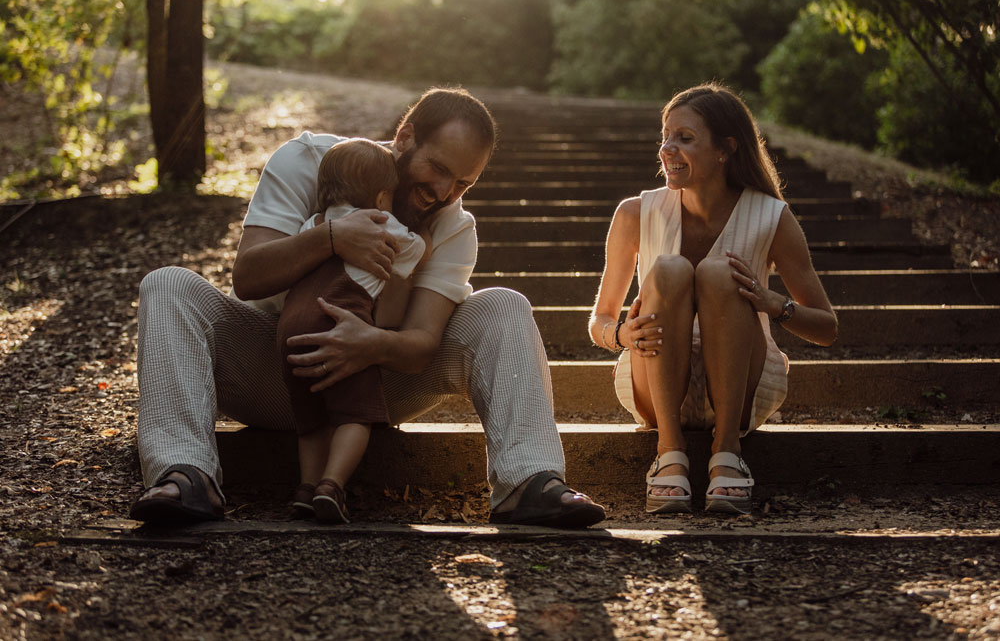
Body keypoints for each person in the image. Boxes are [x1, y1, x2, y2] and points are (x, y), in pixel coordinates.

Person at [128, 87, 606, 528]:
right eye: (438, 169)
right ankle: (183, 473)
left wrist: (370, 344)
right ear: (405, 137)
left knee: (503, 305)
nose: (443, 193)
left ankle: (529, 480)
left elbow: (420, 346)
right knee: (169, 285)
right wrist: (332, 237)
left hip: (378, 385)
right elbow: (248, 277)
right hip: (271, 366)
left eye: (463, 182)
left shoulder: (454, 227)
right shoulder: (309, 160)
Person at [588, 83, 837, 515]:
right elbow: (600, 320)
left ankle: (727, 453)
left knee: (721, 271)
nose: (667, 148)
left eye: (684, 138)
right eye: (665, 136)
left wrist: (770, 302)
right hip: (657, 385)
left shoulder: (771, 217)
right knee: (667, 268)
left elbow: (827, 328)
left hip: (742, 388)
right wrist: (621, 334)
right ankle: (670, 454)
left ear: (725, 150)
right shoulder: (634, 213)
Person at [277, 138, 426, 523]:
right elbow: (413, 251)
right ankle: (332, 485)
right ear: (381, 198)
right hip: (340, 328)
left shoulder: (313, 225)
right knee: (353, 417)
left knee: (311, 421)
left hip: (290, 333)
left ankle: (305, 488)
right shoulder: (384, 224)